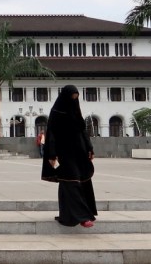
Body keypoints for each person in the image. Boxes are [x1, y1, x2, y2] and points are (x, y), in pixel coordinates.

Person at [41, 84, 97, 228]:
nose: (74, 101)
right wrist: (52, 154)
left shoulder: (76, 111)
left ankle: (68, 216)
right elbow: (52, 133)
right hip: (64, 152)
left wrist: (90, 148)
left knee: (81, 180)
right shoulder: (56, 112)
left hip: (80, 151)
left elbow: (82, 130)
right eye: (72, 98)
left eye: (76, 98)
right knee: (71, 180)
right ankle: (83, 217)